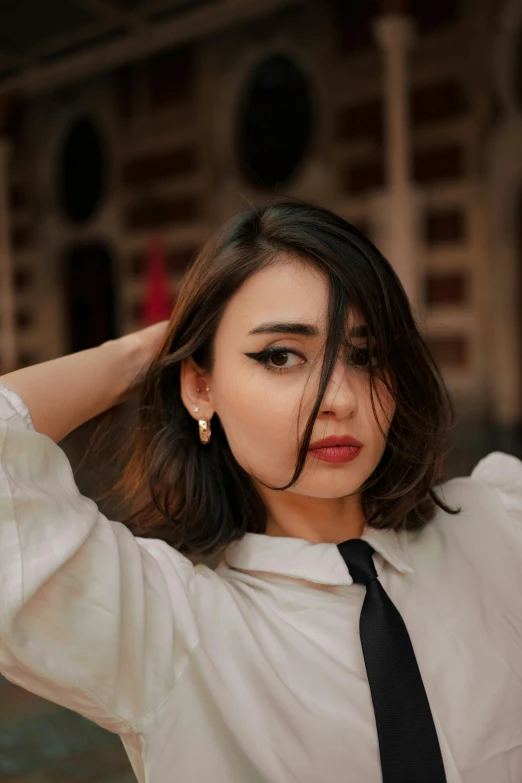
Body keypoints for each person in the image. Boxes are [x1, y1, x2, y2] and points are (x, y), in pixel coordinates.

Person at [0, 200, 520, 783]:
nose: (340, 398)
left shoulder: (501, 521)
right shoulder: (170, 632)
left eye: (366, 354)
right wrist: (138, 355)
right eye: (280, 356)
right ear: (201, 386)